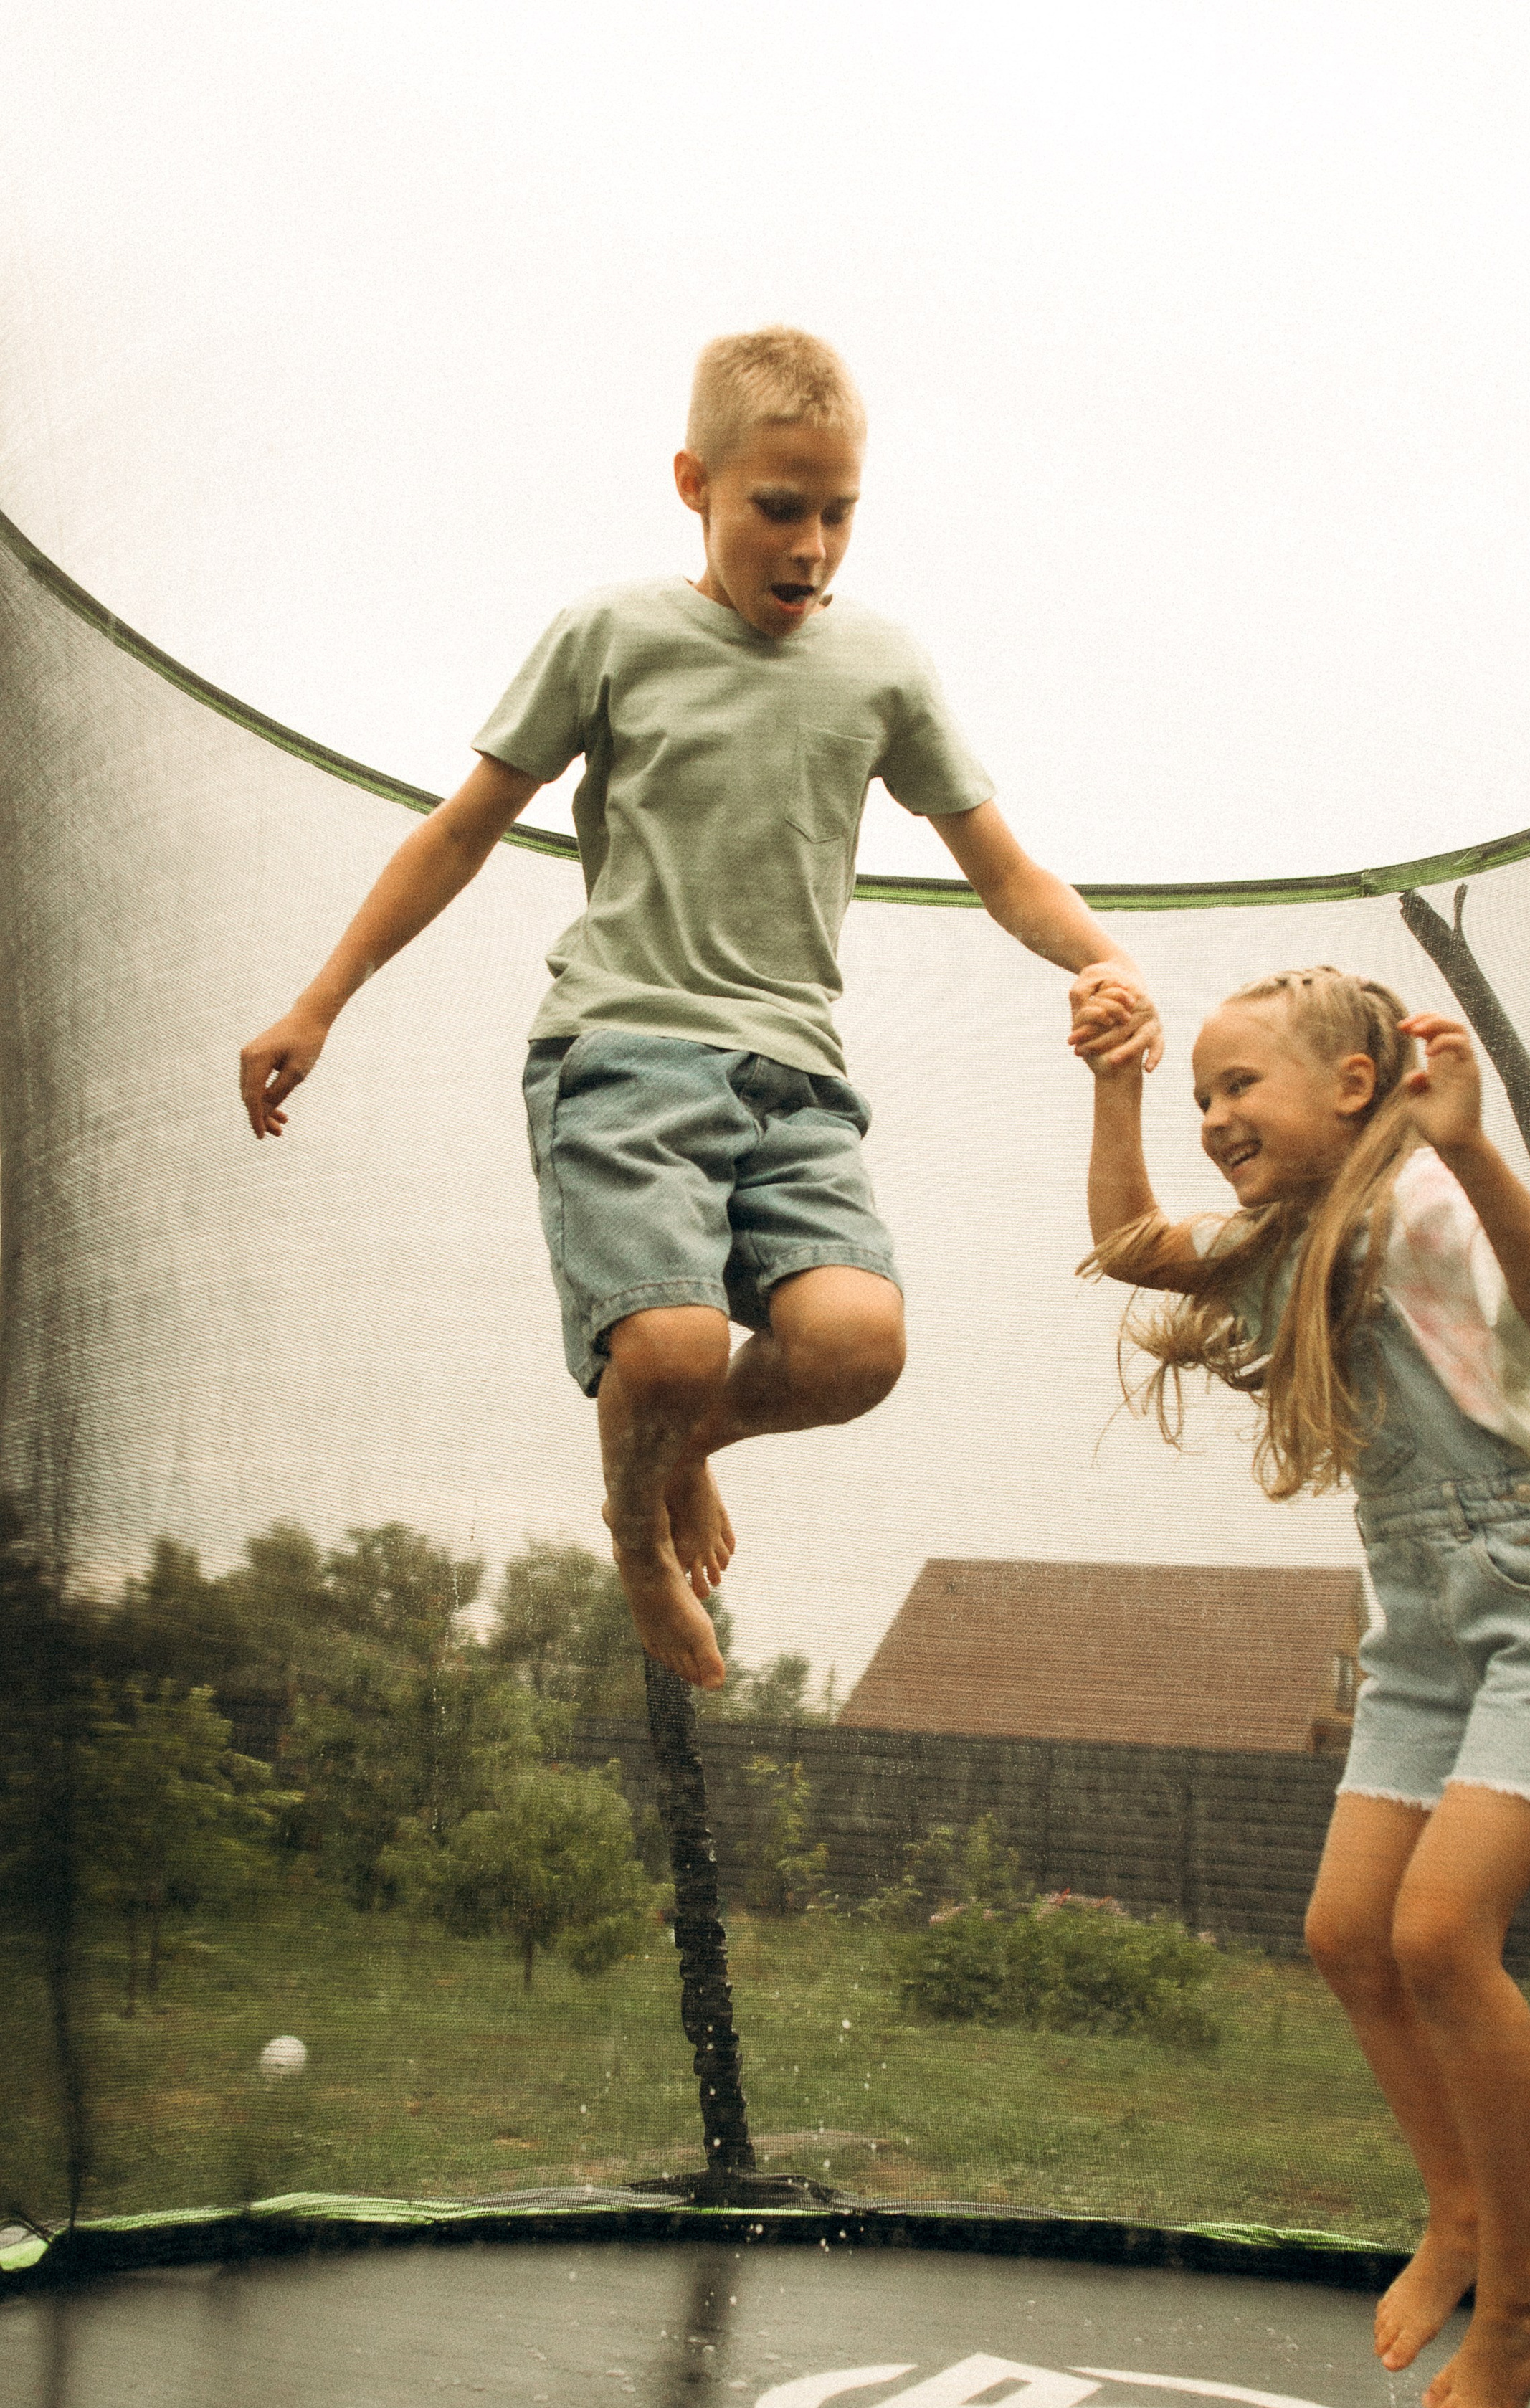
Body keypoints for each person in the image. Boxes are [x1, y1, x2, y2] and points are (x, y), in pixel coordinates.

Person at [239, 326, 1161, 1687]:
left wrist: (1106, 962)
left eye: (838, 513)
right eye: (776, 509)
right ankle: (636, 1535)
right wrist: (321, 1002)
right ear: (697, 483)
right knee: (667, 1340)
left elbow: (1006, 868)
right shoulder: (613, 635)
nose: (810, 547)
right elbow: (461, 830)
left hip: (794, 1078)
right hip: (622, 1049)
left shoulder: (883, 670)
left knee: (856, 1345)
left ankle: (679, 1455)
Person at [1072, 962, 1530, 2408]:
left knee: (1435, 1936)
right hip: (1419, 1627)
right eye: (1204, 1092)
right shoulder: (1287, 1240)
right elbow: (1128, 1244)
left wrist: (1470, 1142)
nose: (1216, 1115)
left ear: (1353, 1088)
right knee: (1346, 1933)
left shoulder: (1419, 1203)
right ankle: (1463, 2210)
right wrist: (1116, 1086)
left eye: (1238, 1086)